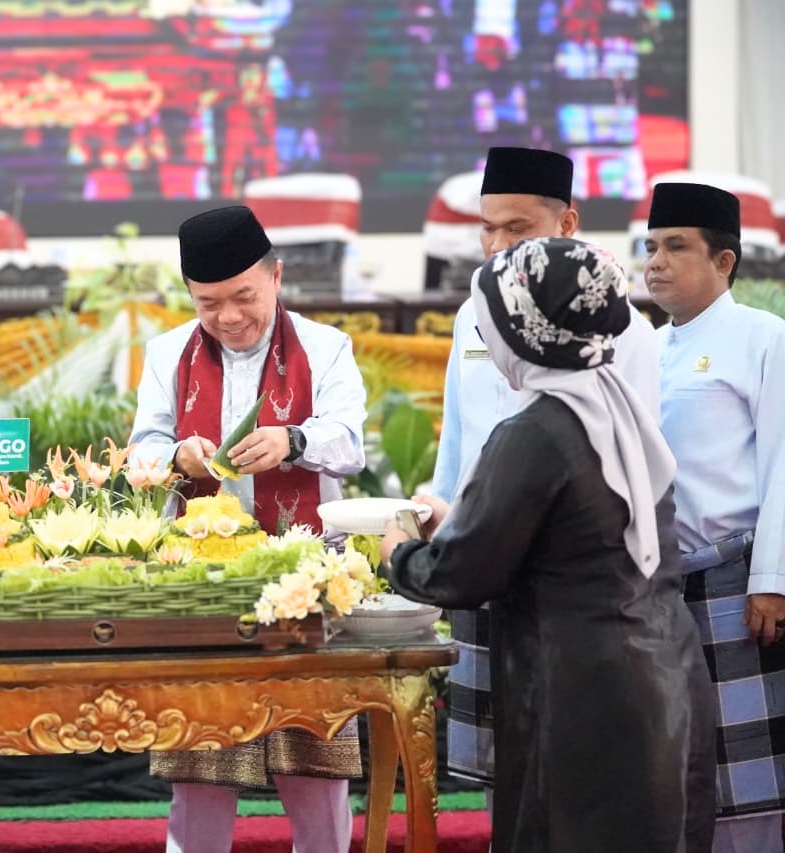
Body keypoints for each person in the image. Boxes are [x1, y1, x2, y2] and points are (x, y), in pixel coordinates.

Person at [382, 236, 716, 852]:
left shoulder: (535, 431)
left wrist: (399, 547)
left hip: (582, 696)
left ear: (527, 332)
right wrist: (463, 519)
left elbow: (459, 575)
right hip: (665, 677)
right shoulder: (618, 412)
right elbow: (578, 536)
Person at [129, 205, 368, 853]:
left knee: (315, 764)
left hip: (304, 579)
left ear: (276, 276)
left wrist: (293, 441)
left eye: (244, 297)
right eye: (208, 303)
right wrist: (175, 456)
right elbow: (140, 452)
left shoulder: (325, 346)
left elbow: (349, 443)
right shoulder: (167, 352)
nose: (229, 317)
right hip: (200, 583)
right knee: (200, 765)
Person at [430, 146, 661, 801]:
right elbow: (458, 438)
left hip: (567, 586)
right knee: (500, 769)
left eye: (518, 228)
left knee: (567, 766)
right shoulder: (473, 314)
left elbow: (634, 464)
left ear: (567, 224)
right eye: (488, 228)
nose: (497, 246)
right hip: (483, 558)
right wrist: (440, 518)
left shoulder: (623, 329)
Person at [644, 181, 785, 853]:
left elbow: (784, 462)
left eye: (676, 246)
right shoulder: (643, 348)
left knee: (747, 778)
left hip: (737, 583)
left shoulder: (765, 339)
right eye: (651, 246)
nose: (656, 262)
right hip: (659, 590)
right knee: (674, 767)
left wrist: (772, 578)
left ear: (724, 261)